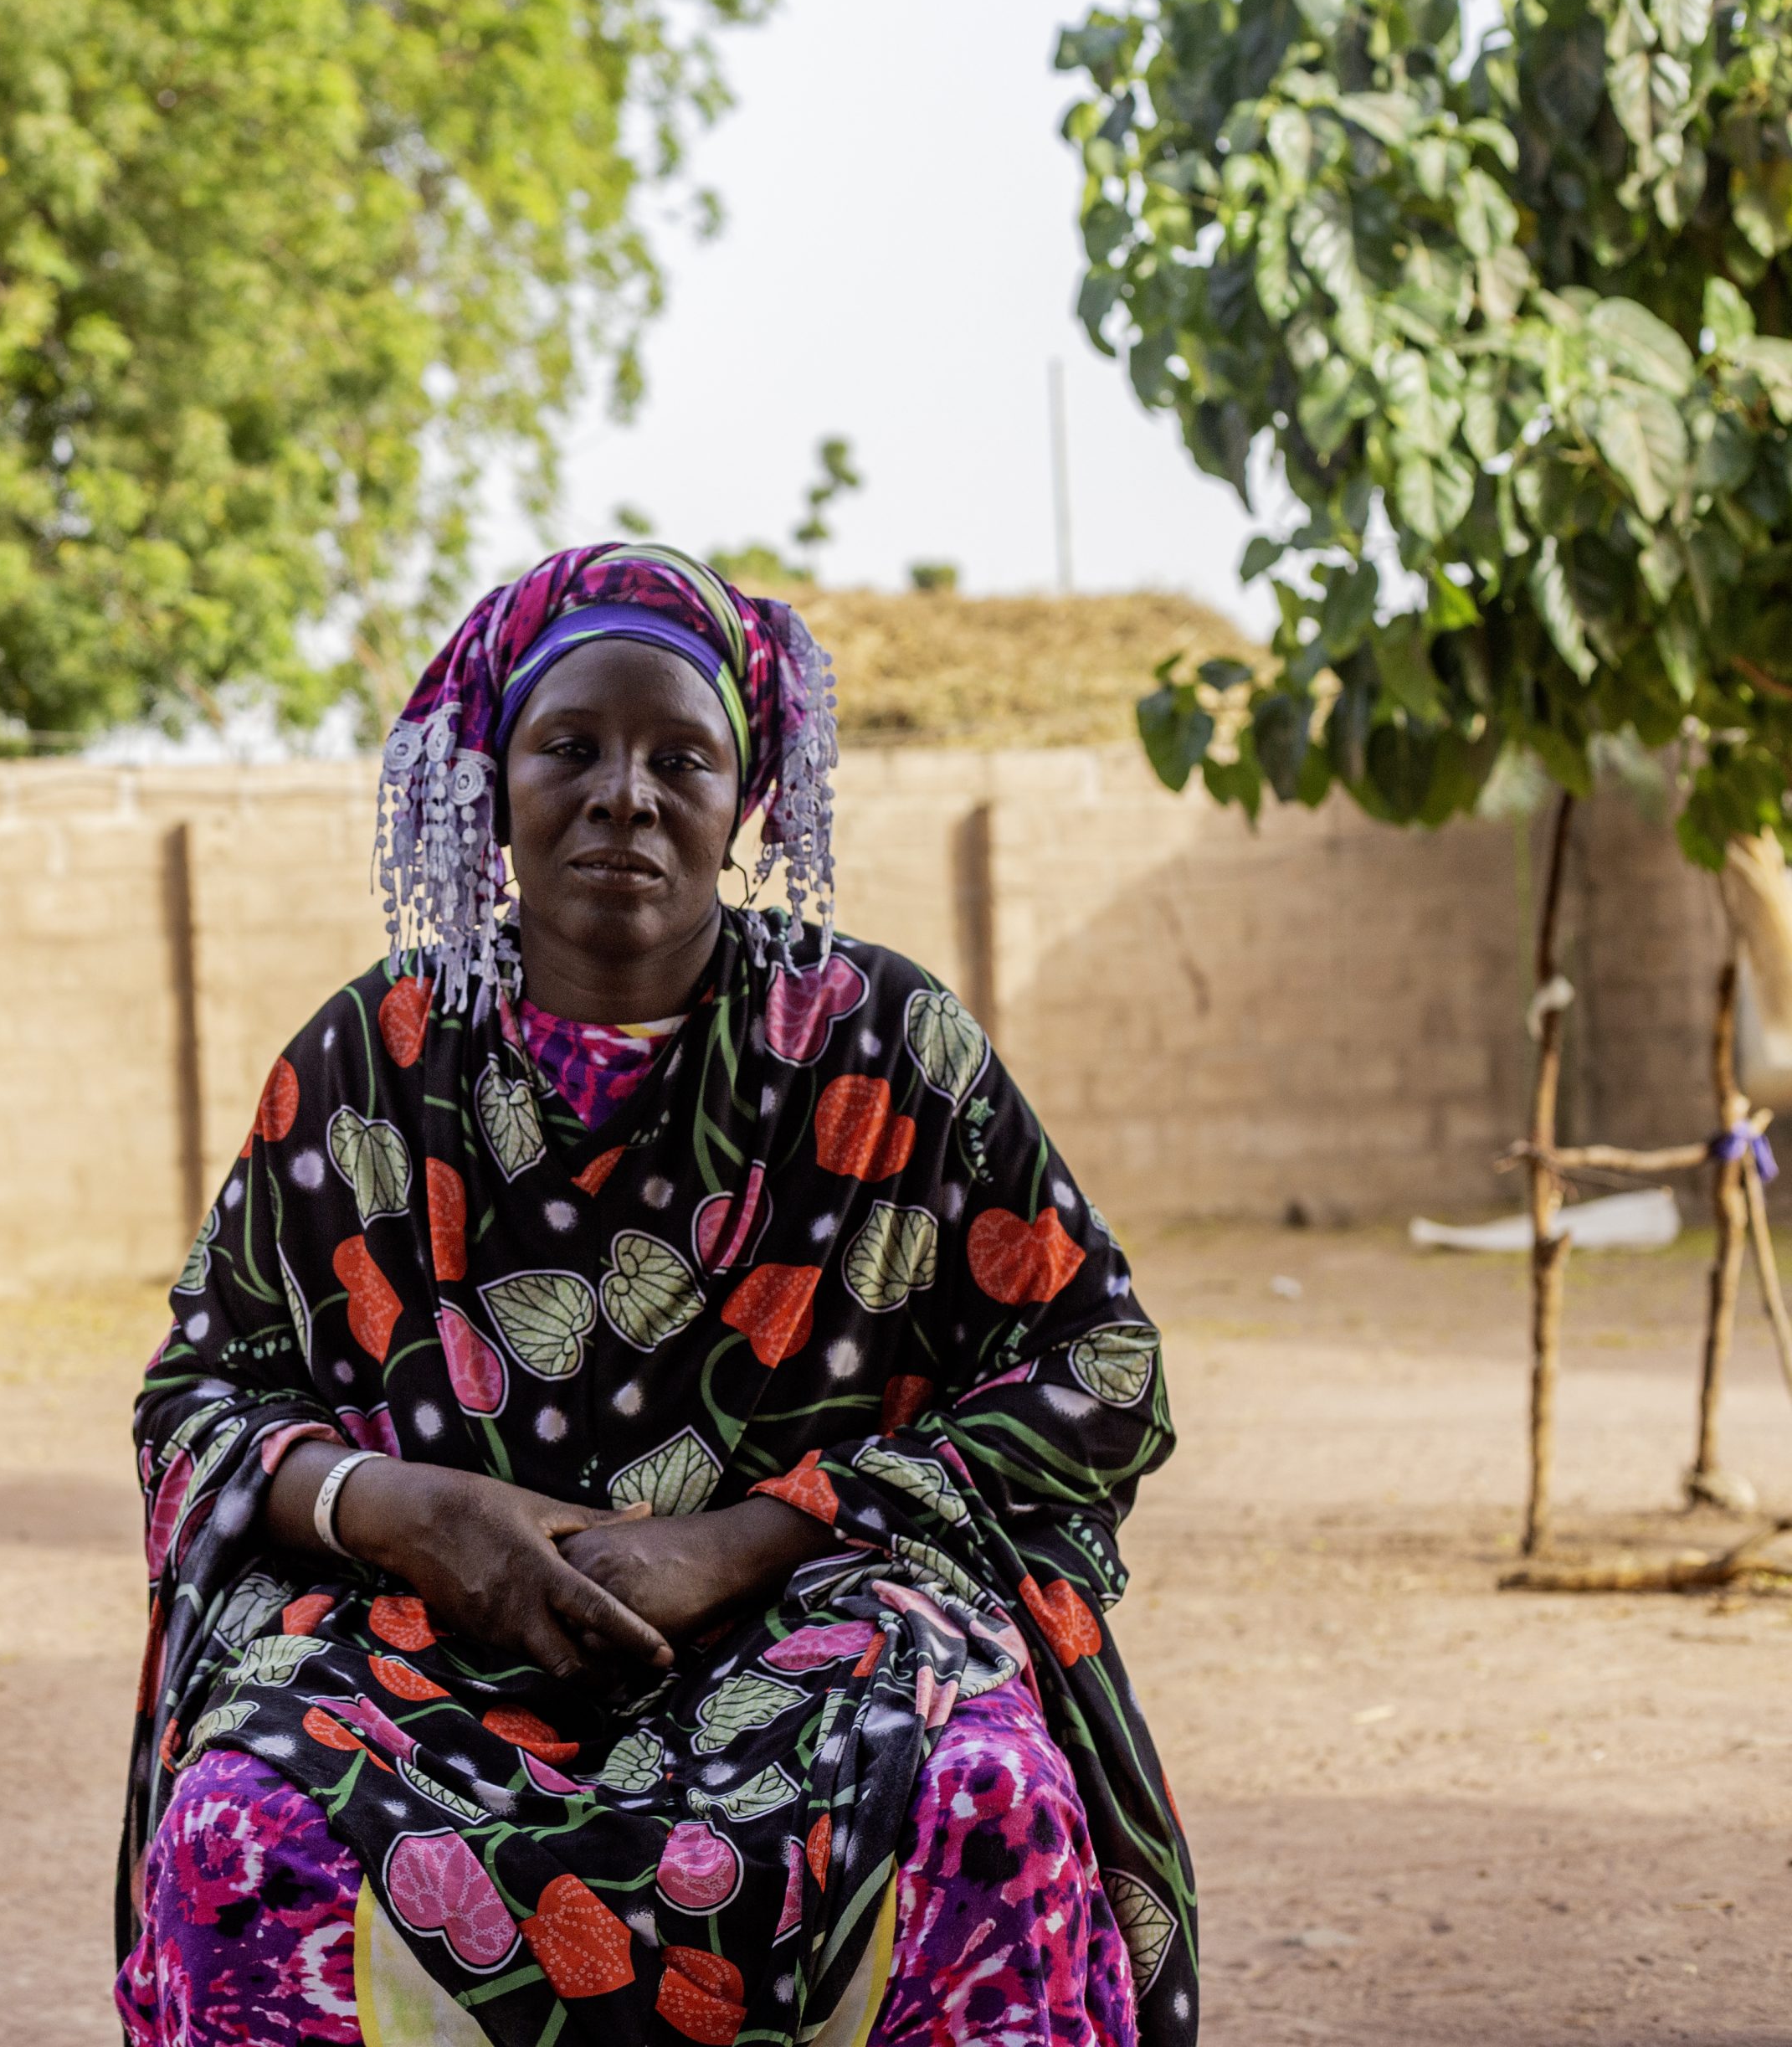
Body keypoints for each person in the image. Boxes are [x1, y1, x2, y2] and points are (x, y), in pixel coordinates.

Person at [116, 544, 1196, 2047]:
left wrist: (756, 1535)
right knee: (243, 1827)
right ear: (492, 785)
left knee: (979, 1789)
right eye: (573, 747)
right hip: (416, 1652)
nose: (625, 791)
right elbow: (199, 1398)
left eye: (679, 755)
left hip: (819, 1624)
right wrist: (406, 1511)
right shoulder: (370, 1059)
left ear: (749, 803)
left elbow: (1104, 1367)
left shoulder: (880, 1050)